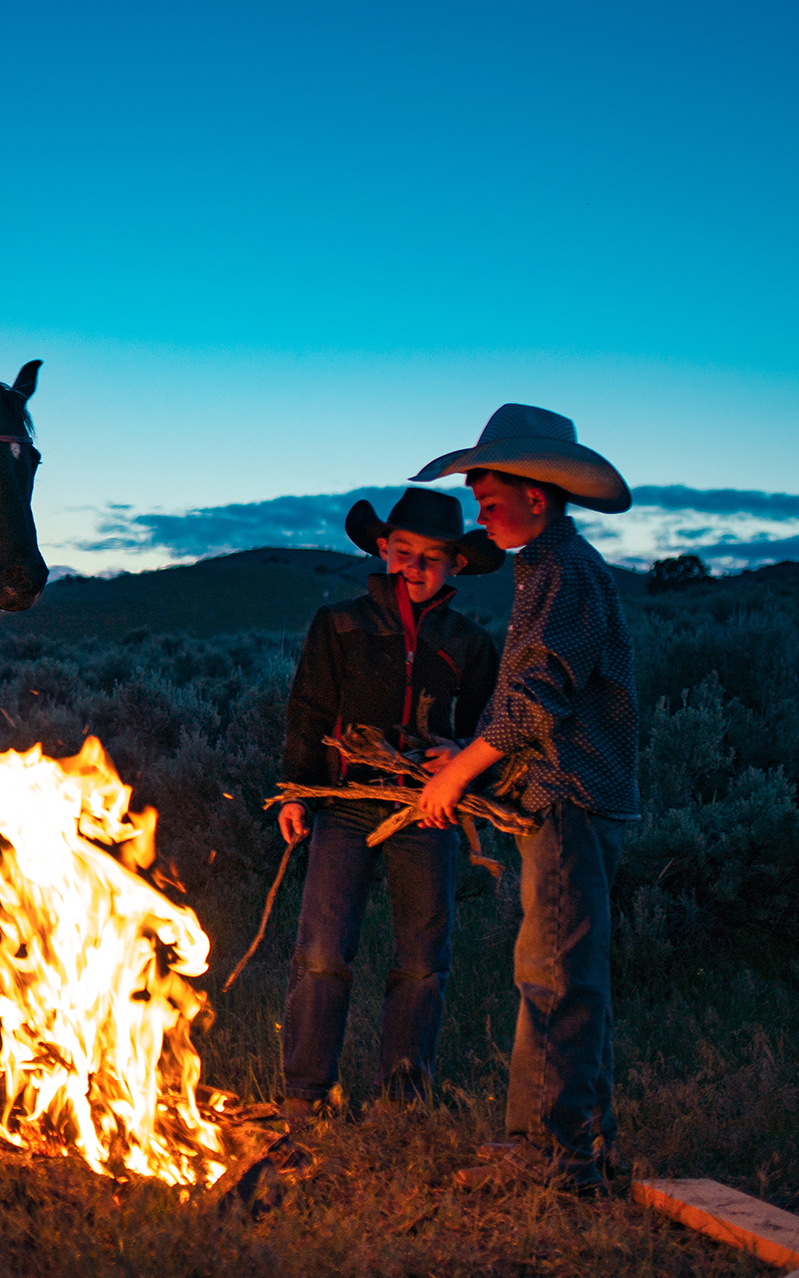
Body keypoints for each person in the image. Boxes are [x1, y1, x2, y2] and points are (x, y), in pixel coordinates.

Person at [408, 405, 636, 1194]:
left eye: (490, 494)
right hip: (559, 797)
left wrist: (457, 772)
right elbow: (531, 705)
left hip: (571, 802)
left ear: (537, 495)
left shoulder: (566, 573)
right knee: (557, 970)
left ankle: (556, 1158)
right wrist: (466, 755)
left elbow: (539, 701)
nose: (479, 511)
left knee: (555, 974)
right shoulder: (545, 572)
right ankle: (562, 1142)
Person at [278, 488, 502, 1133]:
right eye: (404, 552)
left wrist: (460, 752)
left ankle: (400, 1104)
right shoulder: (341, 624)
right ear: (383, 549)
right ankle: (305, 1096)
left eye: (433, 557)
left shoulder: (469, 642)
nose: (416, 567)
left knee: (423, 955)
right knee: (321, 948)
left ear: (456, 564)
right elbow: (309, 710)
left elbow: (488, 724)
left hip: (427, 809)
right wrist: (298, 790)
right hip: (346, 803)